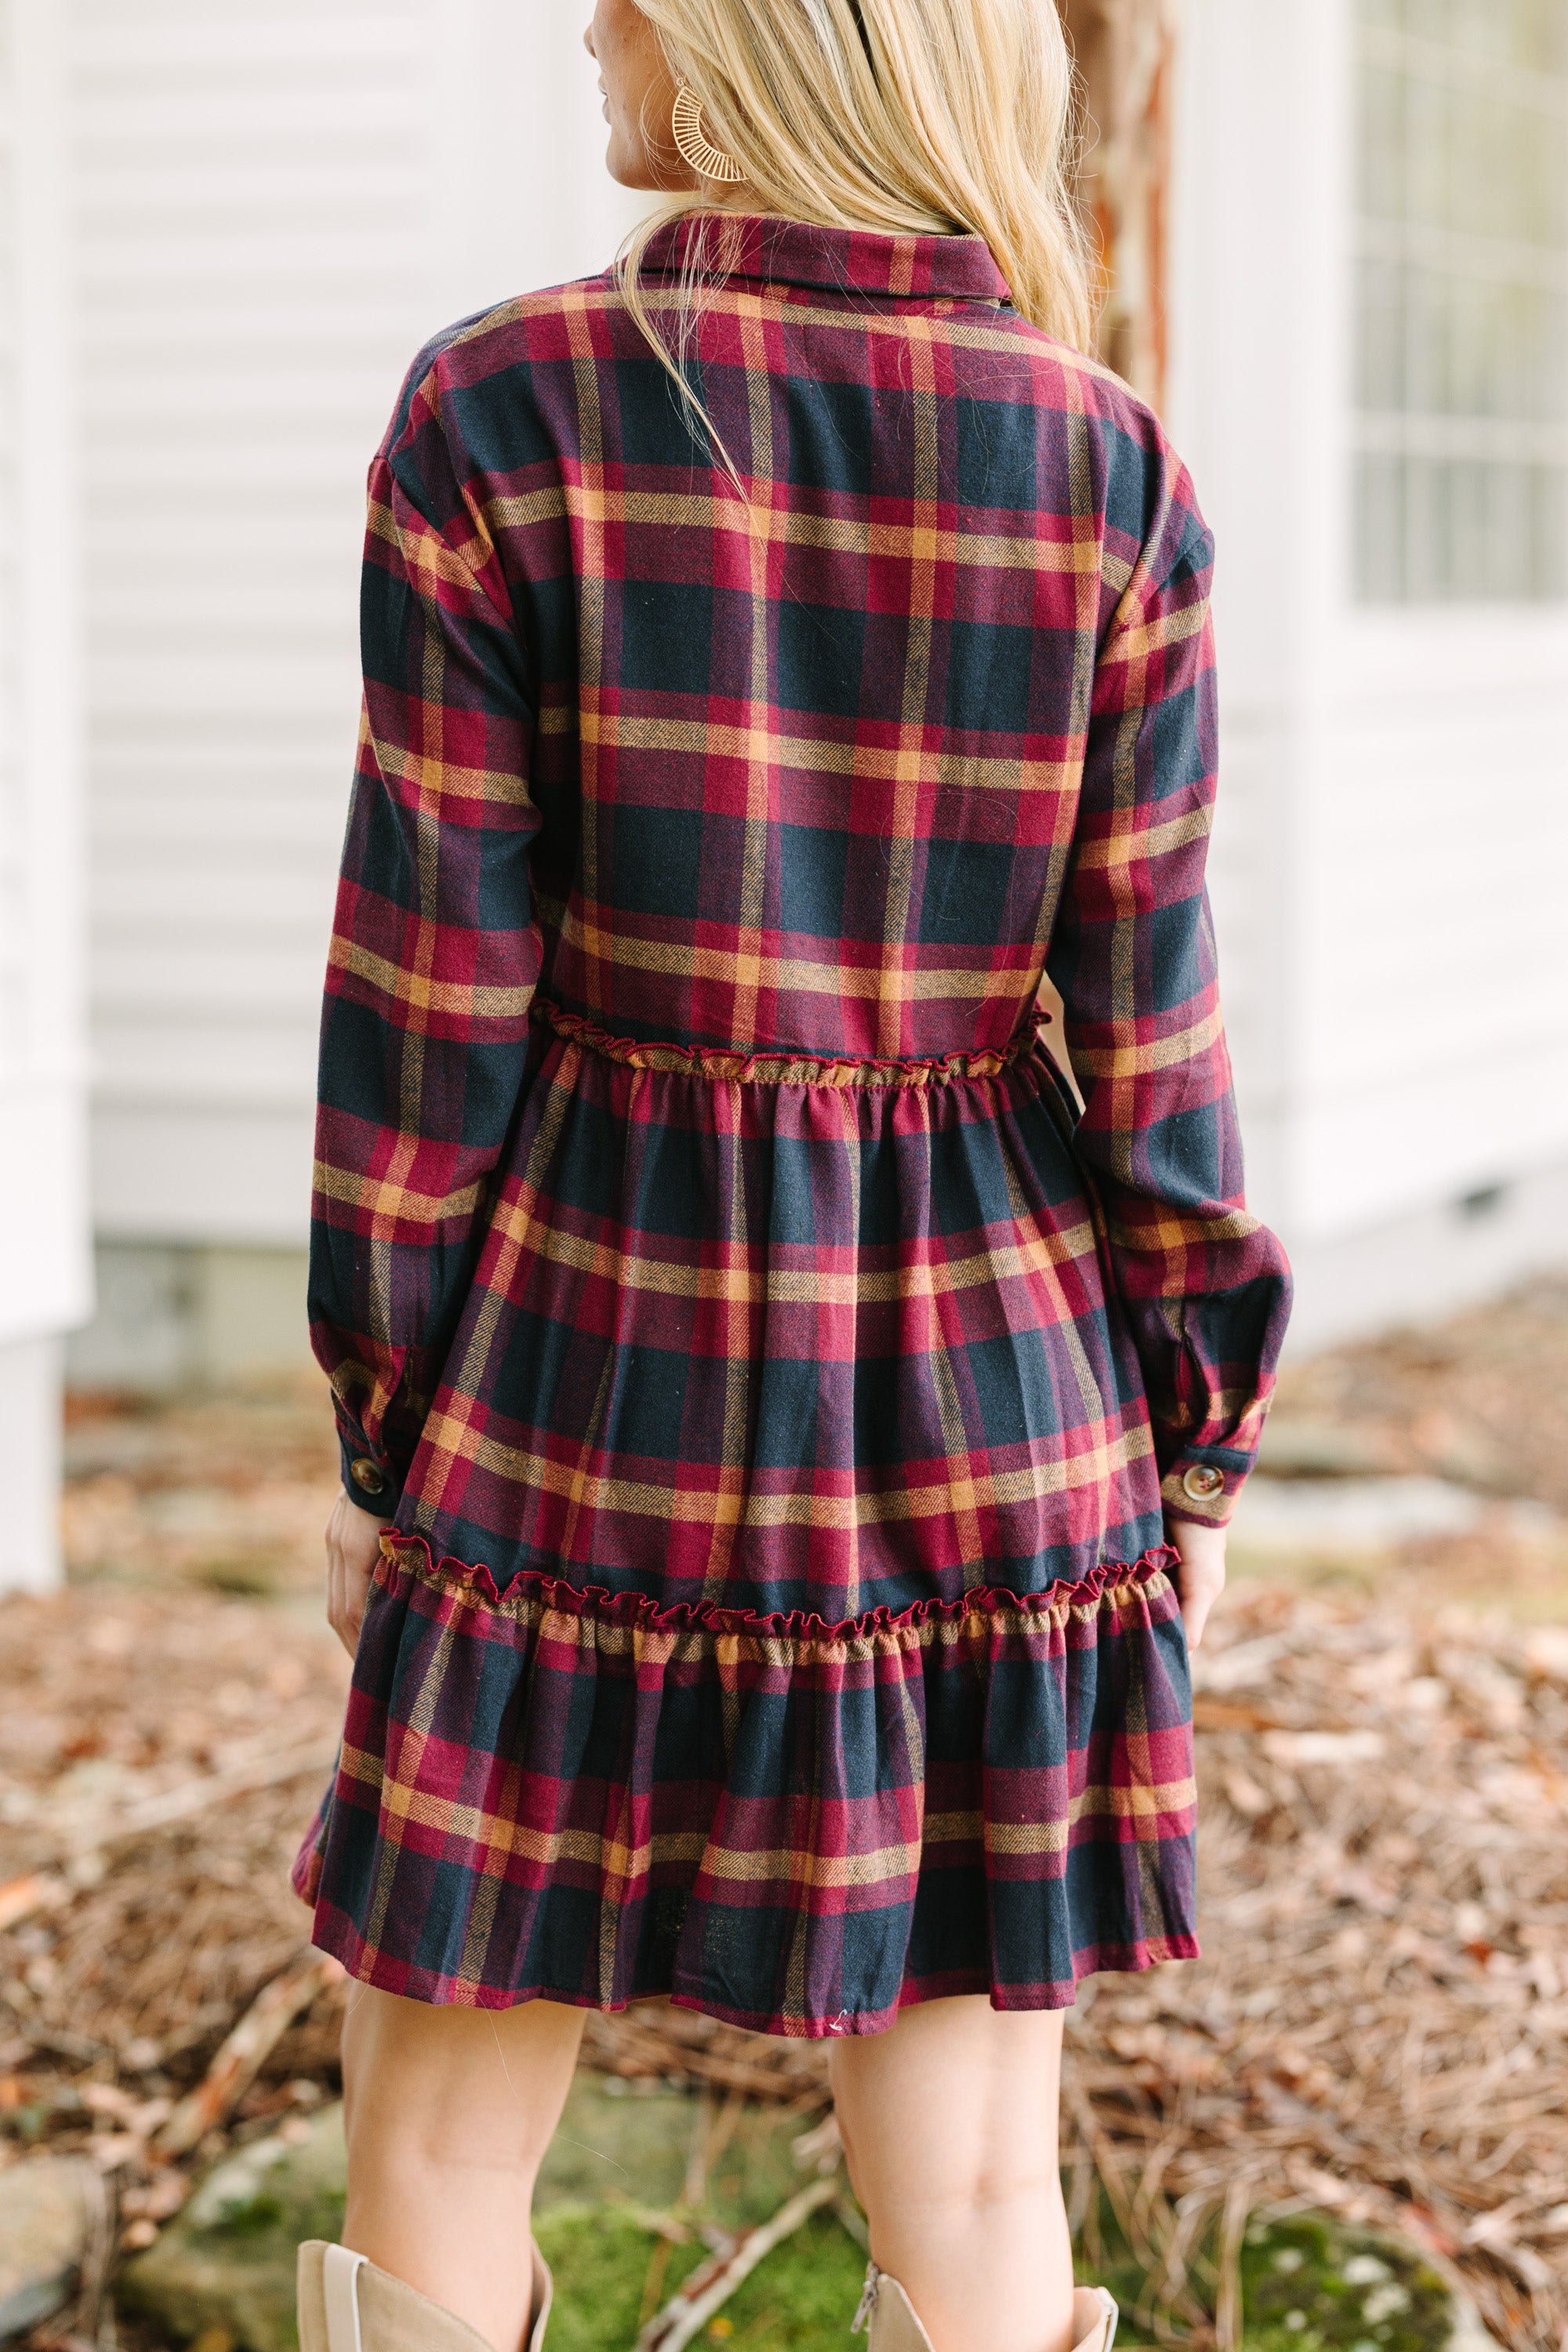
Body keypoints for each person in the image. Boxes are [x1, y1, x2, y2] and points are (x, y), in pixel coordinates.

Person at [292, 4, 1291, 2350]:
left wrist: (380, 1415)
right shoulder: (1106, 465)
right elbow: (1154, 1037)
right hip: (996, 1382)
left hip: (580, 1360)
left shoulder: (499, 415)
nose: (589, 26)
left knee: (439, 2137)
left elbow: (428, 1007)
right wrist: (1200, 1451)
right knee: (969, 2175)